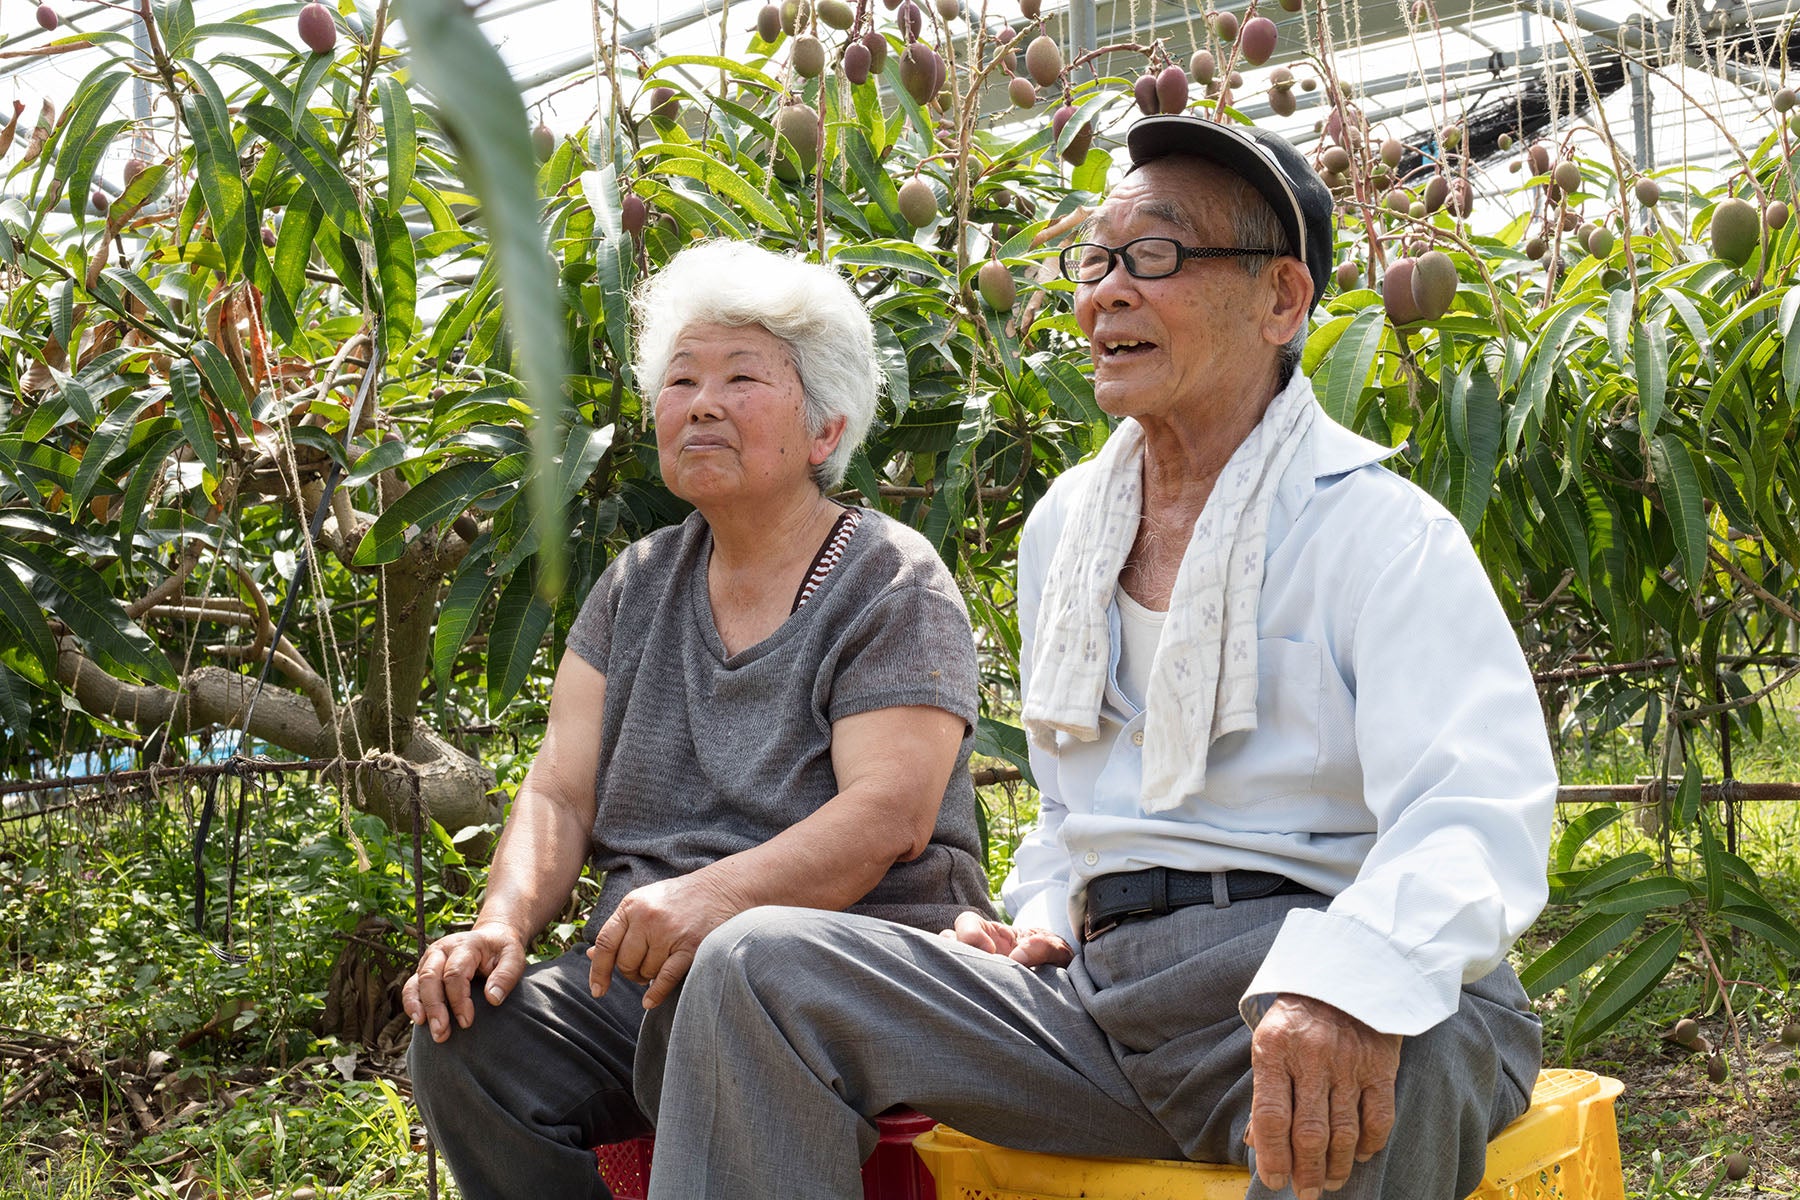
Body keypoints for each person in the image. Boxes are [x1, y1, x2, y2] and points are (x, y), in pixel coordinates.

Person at [632, 116, 1558, 1200]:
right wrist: (1037, 915)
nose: (1108, 292)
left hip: (1302, 963)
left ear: (1281, 300)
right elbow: (1074, 808)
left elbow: (1477, 812)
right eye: (1098, 260)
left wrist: (1348, 985)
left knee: (1397, 1058)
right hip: (1104, 999)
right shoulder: (1068, 525)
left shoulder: (1378, 533)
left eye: (1155, 255)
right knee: (757, 969)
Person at [403, 239, 995, 1200]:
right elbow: (559, 790)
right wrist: (499, 925)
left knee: (727, 982)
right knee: (471, 1041)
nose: (702, 403)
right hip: (651, 975)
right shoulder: (635, 583)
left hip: (838, 965)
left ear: (825, 429)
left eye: (742, 378)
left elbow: (889, 816)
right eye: (681, 380)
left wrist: (713, 901)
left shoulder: (892, 580)